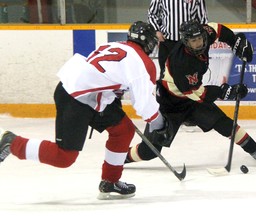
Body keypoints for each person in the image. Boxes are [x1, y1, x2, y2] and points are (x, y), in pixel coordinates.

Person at [0, 21, 166, 200]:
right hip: (76, 97)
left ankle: (110, 181)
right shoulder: (143, 63)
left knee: (123, 129)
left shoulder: (115, 45)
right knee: (64, 157)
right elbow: (144, 106)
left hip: (88, 93)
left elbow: (103, 75)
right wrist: (160, 125)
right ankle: (12, 142)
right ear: (148, 42)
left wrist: (113, 96)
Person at [125, 20, 256, 166]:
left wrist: (236, 42)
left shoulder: (204, 35)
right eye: (194, 41)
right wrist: (226, 91)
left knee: (223, 123)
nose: (199, 43)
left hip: (191, 98)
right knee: (149, 151)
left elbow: (217, 28)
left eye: (200, 38)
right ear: (186, 41)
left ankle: (254, 149)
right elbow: (200, 95)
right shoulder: (181, 63)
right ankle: (120, 158)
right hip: (169, 103)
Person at [148, 0, 208, 78]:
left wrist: (200, 37)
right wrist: (156, 30)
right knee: (166, 75)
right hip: (167, 42)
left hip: (189, 44)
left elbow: (202, 18)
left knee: (189, 74)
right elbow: (152, 14)